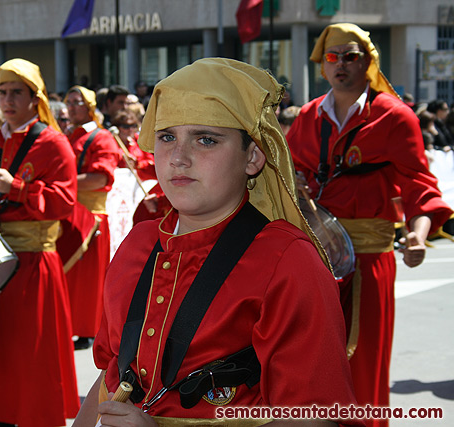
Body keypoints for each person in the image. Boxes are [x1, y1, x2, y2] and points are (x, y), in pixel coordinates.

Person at [73, 58, 362, 427]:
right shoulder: (139, 242)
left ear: (253, 157)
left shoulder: (287, 261)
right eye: (167, 137)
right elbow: (112, 374)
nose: (178, 158)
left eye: (206, 139)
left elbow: (314, 419)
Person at [286, 23, 453, 427]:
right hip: (315, 257)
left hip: (370, 261)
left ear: (368, 62)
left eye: (350, 56)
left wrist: (417, 234)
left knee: (362, 362)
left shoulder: (396, 117)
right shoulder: (308, 116)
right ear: (322, 66)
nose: (340, 64)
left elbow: (419, 186)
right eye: (332, 56)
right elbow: (287, 177)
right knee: (309, 360)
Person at [0, 58, 79, 427]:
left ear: (34, 98)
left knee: (28, 350)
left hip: (33, 263)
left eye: (16, 93)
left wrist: (18, 188)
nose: (7, 100)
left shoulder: (55, 144)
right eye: (2, 93)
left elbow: (65, 203)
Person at [63, 85, 120, 350]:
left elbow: (100, 178)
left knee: (87, 277)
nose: (71, 106)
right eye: (68, 102)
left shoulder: (102, 138)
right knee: (69, 274)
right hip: (67, 212)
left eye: (76, 102)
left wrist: (61, 183)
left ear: (89, 105)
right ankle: (69, 325)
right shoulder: (67, 136)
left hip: (91, 215)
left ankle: (86, 329)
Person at [112, 109, 155, 181]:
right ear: (117, 127)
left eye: (133, 126)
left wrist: (137, 163)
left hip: (144, 182)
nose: (130, 130)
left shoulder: (138, 140)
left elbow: (151, 162)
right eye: (126, 126)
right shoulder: (111, 143)